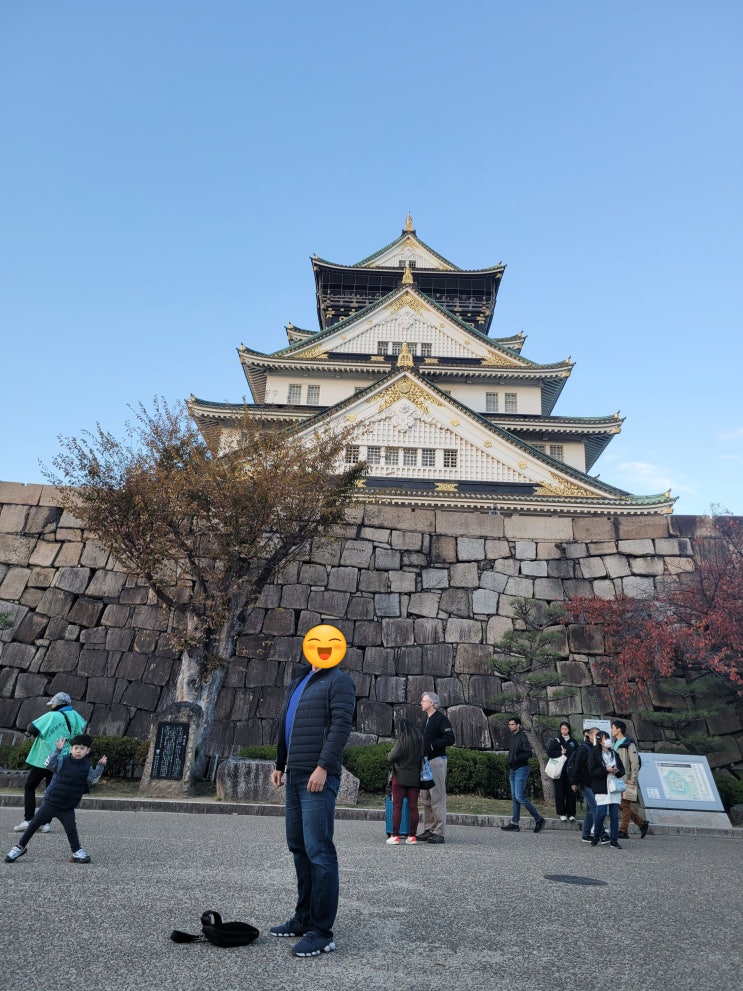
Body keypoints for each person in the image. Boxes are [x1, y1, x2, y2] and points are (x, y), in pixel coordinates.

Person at [270, 624, 355, 958]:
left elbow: (341, 726)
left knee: (319, 850)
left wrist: (323, 766)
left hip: (317, 775)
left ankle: (321, 932)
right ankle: (303, 918)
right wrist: (280, 763)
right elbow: (285, 724)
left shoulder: (339, 681)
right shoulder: (300, 680)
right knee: (299, 848)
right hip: (293, 775)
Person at [5, 734, 107, 864]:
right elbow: (48, 764)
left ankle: (77, 851)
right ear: (71, 749)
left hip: (67, 807)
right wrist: (57, 751)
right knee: (33, 825)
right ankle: (19, 847)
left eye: (82, 748)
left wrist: (100, 766)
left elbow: (93, 779)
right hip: (50, 803)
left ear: (87, 751)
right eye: (76, 748)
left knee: (71, 830)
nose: (78, 751)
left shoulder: (86, 766)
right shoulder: (63, 761)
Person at [14, 690, 87, 833]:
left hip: (45, 758)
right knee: (50, 791)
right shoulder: (76, 716)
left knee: (30, 786)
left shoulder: (51, 715)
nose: (51, 706)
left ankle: (29, 819)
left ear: (57, 704)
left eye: (52, 703)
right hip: (63, 759)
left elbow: (31, 728)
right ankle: (46, 823)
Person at [418, 691, 455, 844]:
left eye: (423, 701)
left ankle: (439, 832)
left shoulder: (441, 719)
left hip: (436, 761)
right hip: (425, 762)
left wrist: (433, 745)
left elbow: (450, 738)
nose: (421, 703)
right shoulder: (426, 720)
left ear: (432, 703)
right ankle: (429, 829)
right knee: (426, 797)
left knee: (437, 796)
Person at [501, 716, 546, 833]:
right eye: (509, 724)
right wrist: (510, 762)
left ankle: (539, 819)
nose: (510, 726)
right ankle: (514, 823)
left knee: (519, 796)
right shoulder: (513, 737)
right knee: (514, 797)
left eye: (512, 724)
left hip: (521, 769)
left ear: (518, 725)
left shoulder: (523, 737)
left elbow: (528, 753)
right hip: (513, 769)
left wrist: (515, 761)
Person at [386, 719, 424, 845]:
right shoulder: (419, 740)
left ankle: (395, 835)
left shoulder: (402, 741)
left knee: (397, 806)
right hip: (415, 779)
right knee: (413, 807)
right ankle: (412, 836)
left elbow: (391, 757)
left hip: (400, 778)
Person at [611, 719, 650, 839]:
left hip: (626, 779)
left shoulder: (628, 743)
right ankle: (641, 823)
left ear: (619, 729)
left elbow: (634, 762)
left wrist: (633, 778)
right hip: (616, 778)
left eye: (613, 728)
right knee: (619, 804)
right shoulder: (614, 744)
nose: (611, 730)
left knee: (625, 804)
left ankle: (623, 830)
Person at [588, 730, 625, 848]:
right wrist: (605, 769)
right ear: (600, 741)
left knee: (614, 815)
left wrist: (616, 770)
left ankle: (614, 840)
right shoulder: (594, 754)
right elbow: (592, 771)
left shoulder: (614, 753)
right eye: (605, 738)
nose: (607, 740)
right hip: (602, 787)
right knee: (601, 813)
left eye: (608, 738)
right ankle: (596, 835)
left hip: (614, 787)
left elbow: (622, 770)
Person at [569, 725, 601, 843]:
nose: (598, 737)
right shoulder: (584, 748)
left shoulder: (597, 748)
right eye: (596, 735)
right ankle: (602, 833)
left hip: (594, 783)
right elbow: (576, 765)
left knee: (590, 810)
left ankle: (586, 834)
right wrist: (574, 782)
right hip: (585, 783)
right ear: (589, 735)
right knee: (595, 808)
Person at [546, 720, 579, 821]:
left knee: (571, 793)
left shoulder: (573, 742)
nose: (563, 731)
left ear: (569, 730)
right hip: (559, 770)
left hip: (571, 771)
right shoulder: (556, 741)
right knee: (560, 793)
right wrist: (560, 752)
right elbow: (550, 753)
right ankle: (562, 813)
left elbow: (578, 755)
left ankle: (571, 814)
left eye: (565, 729)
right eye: (562, 729)